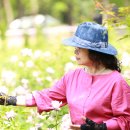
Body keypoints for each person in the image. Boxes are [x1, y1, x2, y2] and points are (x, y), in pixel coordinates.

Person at [0, 22, 130, 130]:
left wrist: (101, 127)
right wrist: (10, 100)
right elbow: (48, 97)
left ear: (95, 51)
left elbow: (125, 119)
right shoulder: (72, 77)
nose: (75, 51)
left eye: (80, 47)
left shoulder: (116, 81)